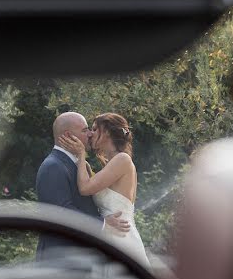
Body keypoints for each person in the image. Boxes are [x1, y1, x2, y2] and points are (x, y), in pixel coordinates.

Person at [57, 112, 150, 267]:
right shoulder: (112, 162)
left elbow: (85, 188)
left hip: (121, 239)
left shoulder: (122, 159)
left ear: (106, 132)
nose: (90, 134)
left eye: (94, 129)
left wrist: (81, 155)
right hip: (110, 236)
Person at [35, 112, 130, 259]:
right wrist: (103, 224)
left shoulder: (79, 164)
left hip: (82, 257)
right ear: (68, 135)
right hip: (60, 260)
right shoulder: (53, 166)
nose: (90, 134)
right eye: (85, 130)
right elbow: (61, 213)